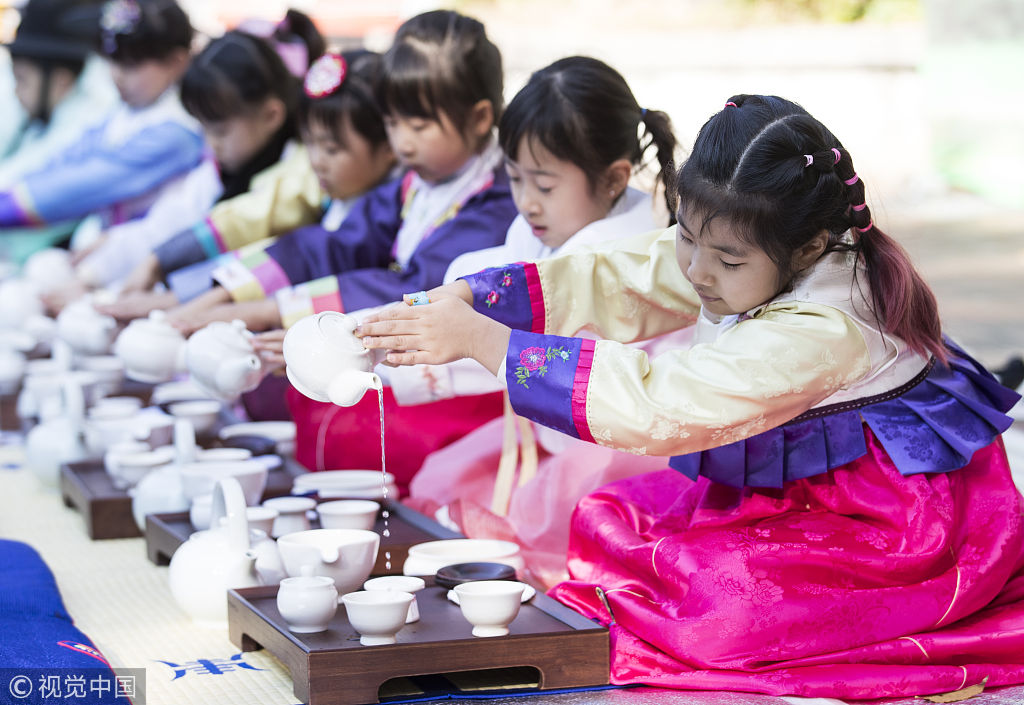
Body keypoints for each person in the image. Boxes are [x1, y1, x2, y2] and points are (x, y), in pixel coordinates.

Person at [357, 95, 1024, 697]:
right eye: (686, 234)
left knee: (718, 611)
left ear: (812, 246)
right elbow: (629, 275)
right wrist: (482, 296)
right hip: (814, 489)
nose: (698, 269)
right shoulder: (752, 246)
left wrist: (490, 344)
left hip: (893, 523)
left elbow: (665, 403)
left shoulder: (825, 327)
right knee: (607, 517)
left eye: (726, 261)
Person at [168, 10, 518, 491]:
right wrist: (222, 295)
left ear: (479, 118)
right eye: (394, 123)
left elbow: (415, 288)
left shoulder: (498, 200)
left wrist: (273, 309)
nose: (403, 143)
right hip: (398, 342)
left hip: (467, 377)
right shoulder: (418, 184)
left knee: (342, 421)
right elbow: (333, 246)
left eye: (418, 125)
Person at [395, 56, 682, 586]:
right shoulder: (548, 229)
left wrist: (411, 338)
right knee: (443, 493)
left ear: (615, 178)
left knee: (567, 552)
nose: (527, 202)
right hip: (552, 441)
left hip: (619, 452)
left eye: (545, 186)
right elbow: (486, 283)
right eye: (514, 179)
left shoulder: (640, 254)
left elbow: (502, 321)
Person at [64, 11, 325, 296]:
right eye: (205, 129)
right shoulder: (214, 173)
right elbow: (165, 225)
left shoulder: (299, 171)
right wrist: (94, 273)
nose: (212, 144)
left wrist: (163, 285)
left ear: (271, 115)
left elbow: (237, 251)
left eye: (221, 131)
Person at [0, 0, 202, 237]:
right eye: (112, 61)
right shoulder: (134, 108)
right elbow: (67, 156)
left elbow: (77, 187)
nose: (117, 75)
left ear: (176, 62)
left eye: (131, 65)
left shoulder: (178, 130)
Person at [0, 0, 118, 264]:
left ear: (62, 79)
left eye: (22, 79)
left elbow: (28, 178)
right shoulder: (45, 113)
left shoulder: (89, 118)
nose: (16, 92)